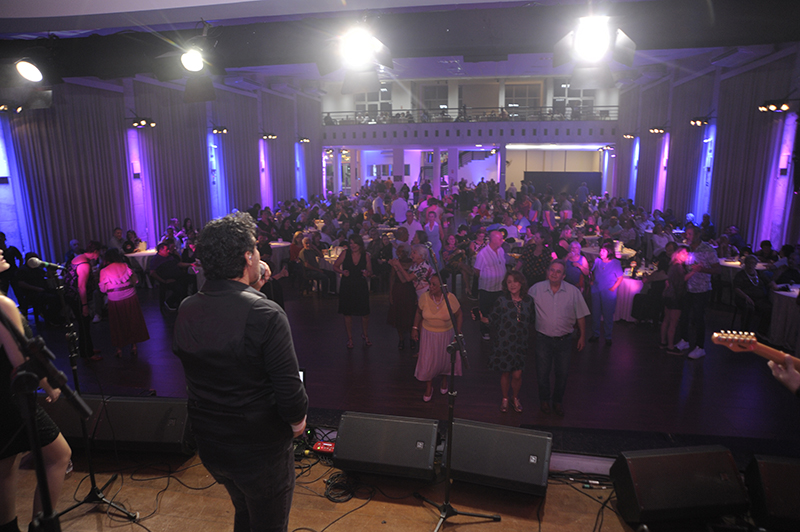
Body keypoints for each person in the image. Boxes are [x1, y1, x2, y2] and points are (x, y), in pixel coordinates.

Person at [172, 213, 307, 532]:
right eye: (256, 250)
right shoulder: (266, 314)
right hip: (258, 449)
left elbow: (225, 339)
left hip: (212, 444)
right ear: (248, 257)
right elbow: (290, 394)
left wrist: (254, 284)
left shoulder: (187, 307)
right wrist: (297, 423)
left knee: (245, 510)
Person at [1, 248, 72, 532]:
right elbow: (22, 360)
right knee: (59, 456)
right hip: (10, 399)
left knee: (5, 468)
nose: (2, 250)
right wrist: (49, 385)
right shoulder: (3, 304)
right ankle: (41, 527)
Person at [528, 260, 590, 417]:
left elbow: (580, 315)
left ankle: (557, 401)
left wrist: (582, 336)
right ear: (547, 271)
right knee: (542, 373)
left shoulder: (573, 292)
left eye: (558, 271)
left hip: (564, 340)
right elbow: (523, 307)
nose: (554, 273)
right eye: (552, 270)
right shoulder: (536, 289)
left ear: (563, 276)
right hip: (543, 339)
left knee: (562, 374)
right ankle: (544, 400)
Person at [480, 271, 534, 413]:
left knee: (517, 374)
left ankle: (515, 397)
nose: (512, 284)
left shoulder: (529, 301)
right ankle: (505, 398)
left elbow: (533, 320)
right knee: (506, 373)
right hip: (504, 343)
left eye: (515, 281)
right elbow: (492, 319)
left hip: (520, 343)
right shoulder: (502, 300)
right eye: (509, 282)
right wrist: (482, 319)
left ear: (521, 283)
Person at [411, 275, 463, 402]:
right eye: (430, 284)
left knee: (444, 360)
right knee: (428, 361)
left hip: (446, 334)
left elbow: (459, 314)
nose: (430, 287)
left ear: (442, 286)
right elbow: (418, 312)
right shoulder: (424, 297)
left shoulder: (450, 298)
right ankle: (429, 387)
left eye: (434, 285)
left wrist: (458, 332)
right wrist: (415, 327)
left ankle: (444, 381)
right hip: (428, 335)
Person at [676, 225, 721, 359]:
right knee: (684, 316)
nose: (687, 236)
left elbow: (718, 270)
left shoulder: (707, 249)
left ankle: (700, 347)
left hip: (702, 289)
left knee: (698, 318)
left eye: (690, 234)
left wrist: (702, 269)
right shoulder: (687, 248)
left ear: (697, 235)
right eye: (686, 234)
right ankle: (684, 340)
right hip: (688, 288)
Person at [98, 249, 149, 358]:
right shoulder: (125, 266)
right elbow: (135, 281)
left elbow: (103, 289)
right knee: (132, 320)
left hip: (115, 299)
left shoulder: (104, 271)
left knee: (117, 323)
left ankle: (119, 348)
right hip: (130, 296)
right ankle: (134, 346)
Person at [64, 240, 102, 361]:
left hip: (72, 296)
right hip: (77, 298)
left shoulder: (79, 257)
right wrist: (85, 305)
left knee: (84, 325)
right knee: (84, 325)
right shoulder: (84, 264)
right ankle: (87, 353)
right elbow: (81, 287)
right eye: (99, 253)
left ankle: (87, 348)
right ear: (95, 251)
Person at [333, 235, 372, 348]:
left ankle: (365, 334)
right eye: (351, 243)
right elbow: (335, 266)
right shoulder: (345, 253)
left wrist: (367, 273)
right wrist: (342, 272)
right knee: (347, 312)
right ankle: (350, 338)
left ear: (360, 244)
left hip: (360, 285)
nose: (352, 245)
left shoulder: (365, 256)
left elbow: (370, 271)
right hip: (347, 285)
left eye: (355, 243)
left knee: (365, 313)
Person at [474, 231, 507, 341]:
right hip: (487, 288)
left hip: (500, 287)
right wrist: (487, 277)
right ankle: (485, 331)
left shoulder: (501, 250)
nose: (502, 241)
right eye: (500, 239)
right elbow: (477, 270)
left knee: (500, 309)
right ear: (493, 240)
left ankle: (498, 329)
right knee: (485, 310)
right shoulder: (482, 254)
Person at [589, 242, 624, 346]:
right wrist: (592, 281)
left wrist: (613, 288)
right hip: (596, 290)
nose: (601, 252)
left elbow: (620, 278)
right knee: (595, 314)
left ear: (609, 252)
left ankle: (608, 337)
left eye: (604, 251)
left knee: (608, 315)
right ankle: (595, 334)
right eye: (601, 250)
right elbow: (592, 271)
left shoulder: (615, 263)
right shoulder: (597, 261)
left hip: (608, 293)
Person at [733, 255, 772, 335]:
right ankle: (744, 332)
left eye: (753, 263)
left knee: (768, 308)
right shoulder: (740, 275)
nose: (751, 265)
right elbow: (736, 288)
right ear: (745, 263)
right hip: (744, 298)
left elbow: (770, 283)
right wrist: (746, 297)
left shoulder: (759, 274)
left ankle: (761, 332)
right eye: (749, 263)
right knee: (749, 308)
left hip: (759, 299)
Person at [387, 245, 417, 350]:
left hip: (409, 290)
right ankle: (401, 339)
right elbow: (392, 278)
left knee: (410, 314)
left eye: (402, 251)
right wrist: (390, 293)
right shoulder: (395, 263)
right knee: (398, 314)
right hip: (398, 289)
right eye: (398, 252)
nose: (399, 254)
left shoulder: (412, 263)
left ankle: (412, 338)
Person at [661, 246, 689, 354]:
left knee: (666, 320)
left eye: (686, 254)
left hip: (668, 295)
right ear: (677, 254)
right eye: (683, 253)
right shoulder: (678, 266)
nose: (686, 256)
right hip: (675, 297)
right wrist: (694, 271)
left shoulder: (672, 265)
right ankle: (670, 347)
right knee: (673, 323)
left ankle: (663, 342)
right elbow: (681, 281)